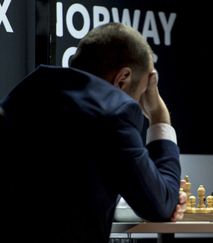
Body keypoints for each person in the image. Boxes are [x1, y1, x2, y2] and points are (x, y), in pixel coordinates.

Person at [0, 22, 186, 242]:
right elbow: (159, 205)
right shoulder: (113, 112)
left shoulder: (21, 98)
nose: (140, 101)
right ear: (122, 79)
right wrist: (158, 115)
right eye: (144, 92)